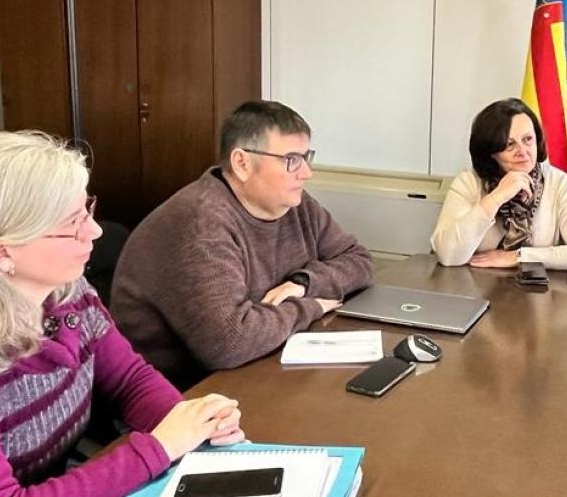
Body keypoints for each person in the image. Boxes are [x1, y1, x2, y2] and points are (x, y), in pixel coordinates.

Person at [0, 131, 244, 497]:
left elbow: (127, 379)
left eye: (87, 212)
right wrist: (158, 448)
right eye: (72, 224)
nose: (95, 231)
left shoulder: (66, 293)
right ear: (2, 252)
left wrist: (193, 423)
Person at [112, 101, 372, 388]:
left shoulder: (292, 203)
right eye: (292, 160)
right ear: (242, 163)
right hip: (180, 395)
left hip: (260, 367)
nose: (306, 173)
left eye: (306, 157)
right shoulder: (201, 223)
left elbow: (358, 260)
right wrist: (309, 307)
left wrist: (302, 284)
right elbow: (228, 342)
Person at [431, 98, 567, 270]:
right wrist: (496, 197)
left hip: (540, 295)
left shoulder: (561, 185)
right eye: (509, 144)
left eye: (528, 139)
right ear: (491, 152)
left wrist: (518, 257)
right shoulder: (468, 183)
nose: (522, 152)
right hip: (475, 290)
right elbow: (448, 255)